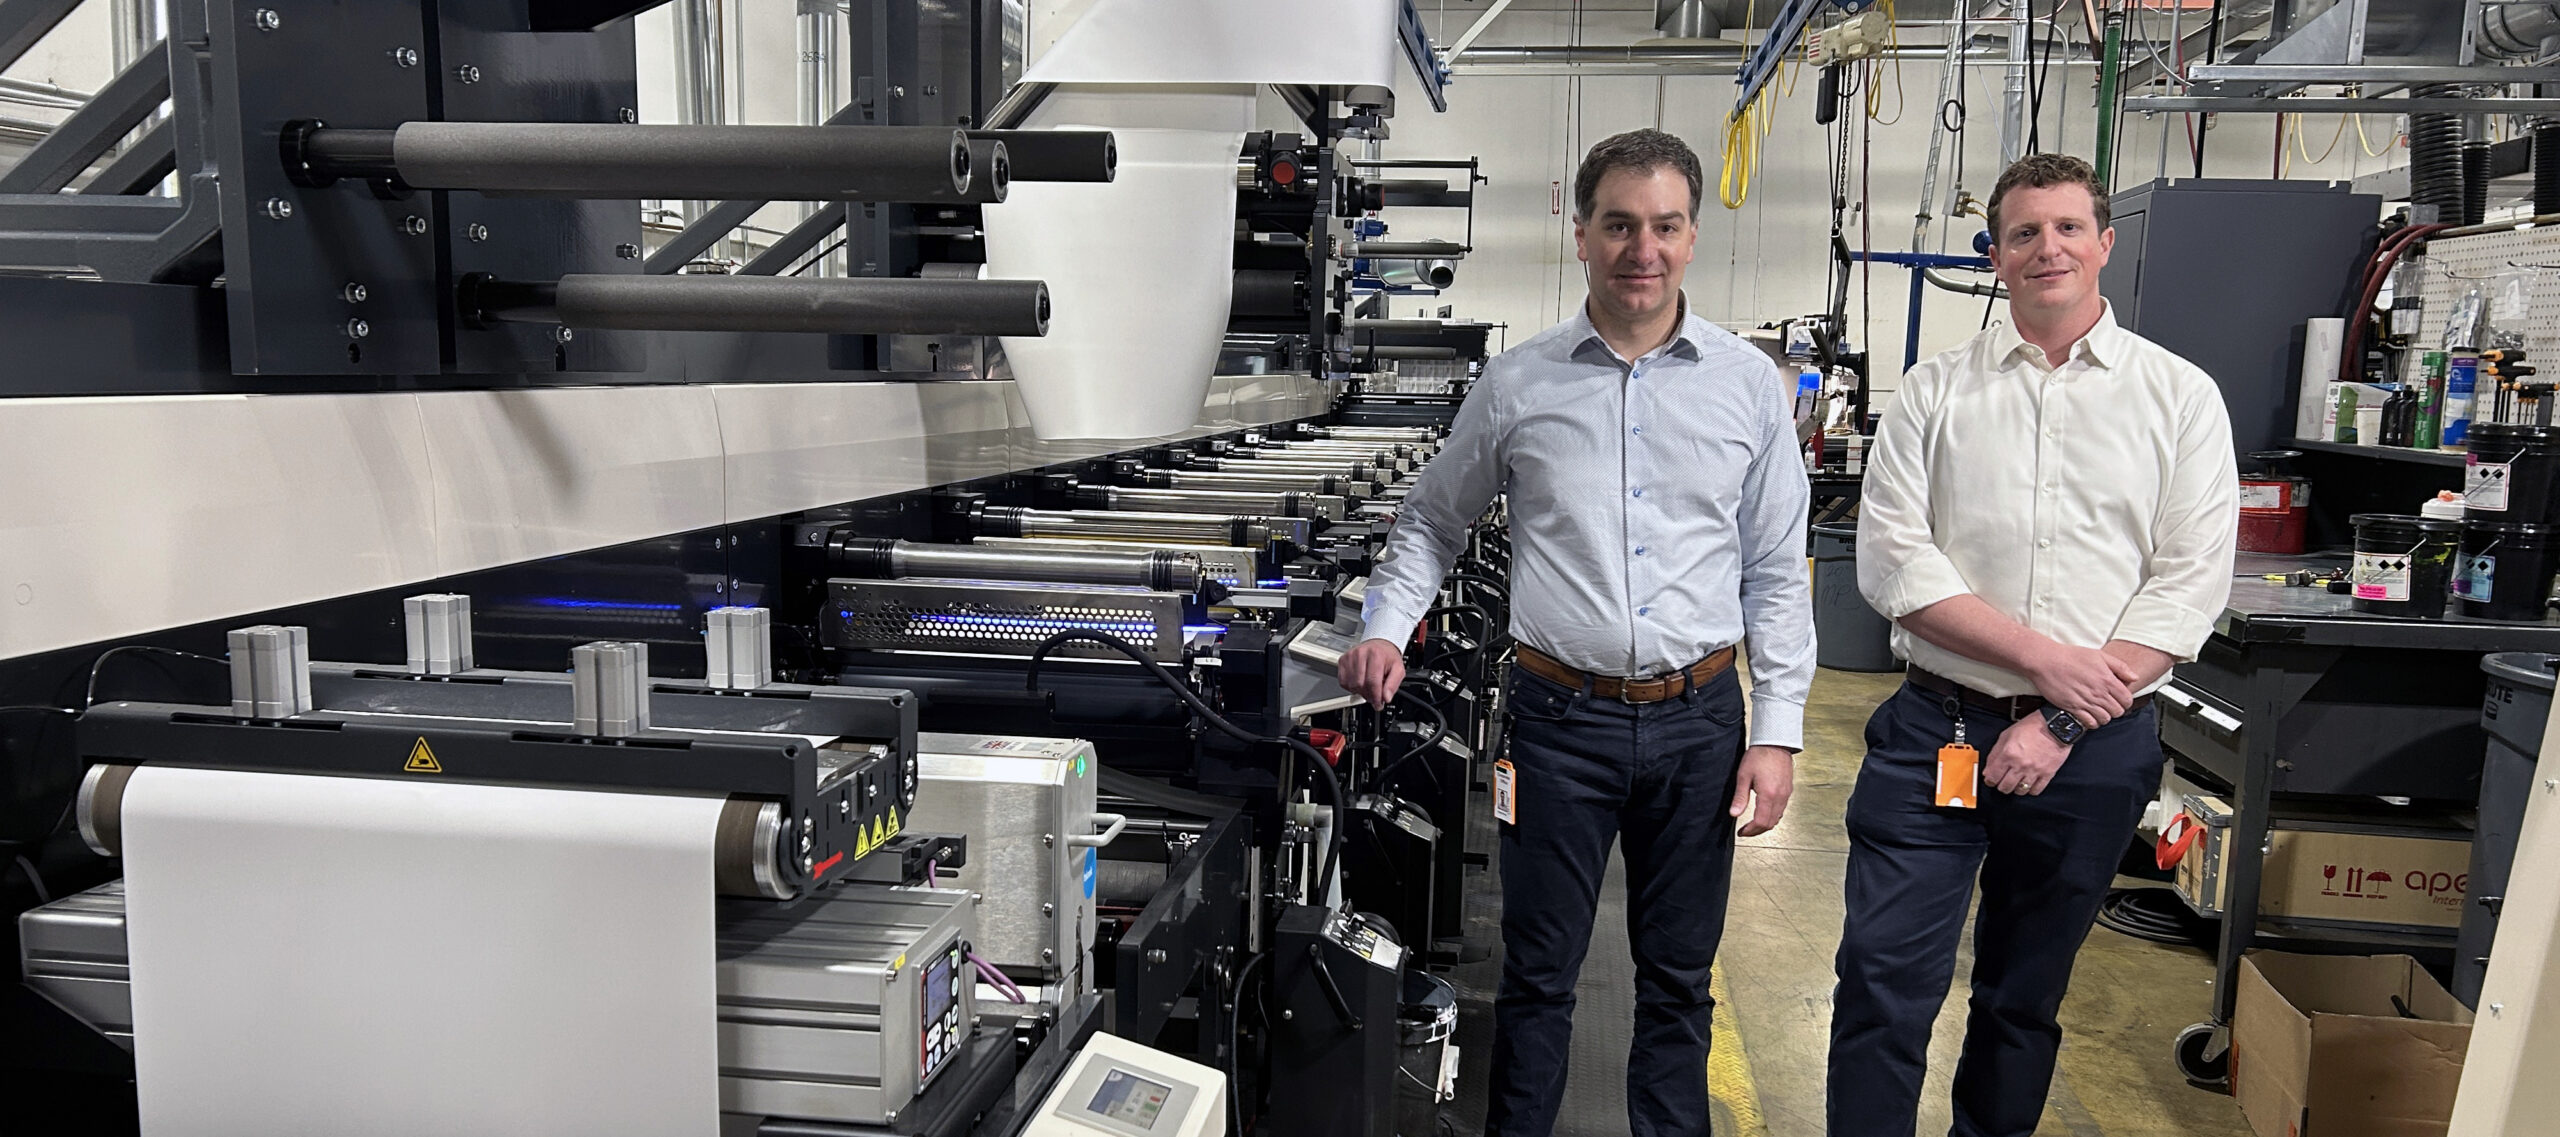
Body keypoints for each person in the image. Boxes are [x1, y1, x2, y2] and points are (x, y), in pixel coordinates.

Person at [1338, 128, 1813, 1137]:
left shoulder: (1746, 387)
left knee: (1679, 983)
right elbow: (1431, 519)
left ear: (1692, 237)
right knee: (1540, 978)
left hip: (1700, 725)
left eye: (1664, 226)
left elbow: (1775, 571)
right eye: (1619, 225)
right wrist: (1388, 623)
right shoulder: (1519, 384)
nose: (1641, 248)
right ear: (1582, 233)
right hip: (1558, 726)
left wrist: (1775, 732)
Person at [1827, 152, 2238, 1137]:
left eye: (2065, 228)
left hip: (2093, 753)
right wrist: (2047, 661)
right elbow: (1893, 564)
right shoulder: (1935, 394)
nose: (2045, 248)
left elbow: (2185, 587)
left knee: (2019, 1001)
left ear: (2102, 243)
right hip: (1937, 731)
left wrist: (2058, 714)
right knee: (1882, 985)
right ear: (1996, 257)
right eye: (2022, 233)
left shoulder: (2178, 399)